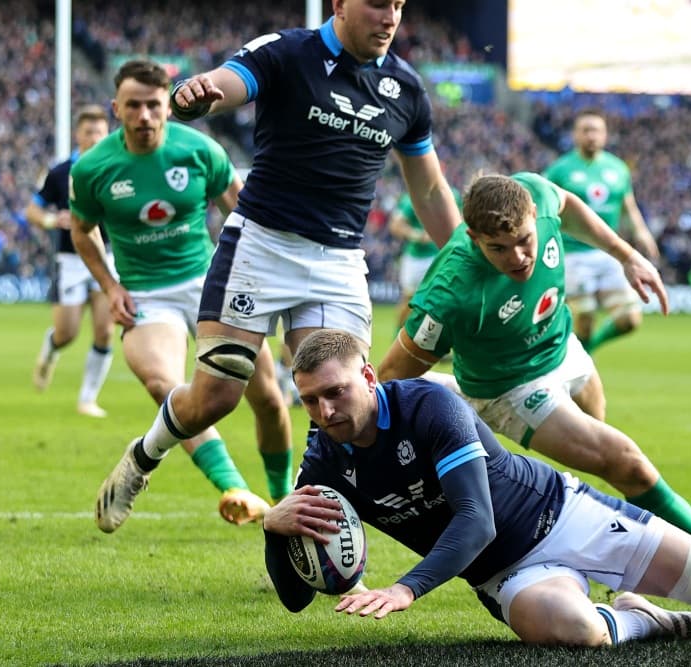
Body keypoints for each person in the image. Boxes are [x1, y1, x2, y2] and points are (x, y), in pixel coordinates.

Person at [92, 0, 461, 533]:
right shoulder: (288, 52)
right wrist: (197, 94)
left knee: (338, 405)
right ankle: (143, 457)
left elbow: (428, 188)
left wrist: (468, 257)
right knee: (216, 398)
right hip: (261, 247)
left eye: (399, 6)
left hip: (337, 260)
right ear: (339, 4)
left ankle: (306, 537)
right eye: (378, 4)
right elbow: (225, 82)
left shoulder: (404, 88)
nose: (390, 17)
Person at [378, 172, 691, 610]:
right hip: (510, 389)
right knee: (628, 464)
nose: (519, 257)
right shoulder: (452, 291)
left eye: (525, 240)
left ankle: (630, 571)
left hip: (563, 346)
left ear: (532, 215)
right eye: (498, 249)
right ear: (473, 237)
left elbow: (569, 204)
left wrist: (626, 255)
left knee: (610, 465)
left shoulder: (536, 194)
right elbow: (391, 372)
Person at [263, 329, 691, 646]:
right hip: (504, 574)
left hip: (565, 515)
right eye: (309, 399)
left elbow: (477, 520)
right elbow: (296, 599)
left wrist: (406, 588)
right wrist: (273, 527)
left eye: (336, 392)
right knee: (578, 633)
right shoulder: (325, 464)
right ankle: (641, 618)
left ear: (370, 378)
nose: (325, 411)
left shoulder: (428, 406)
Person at [70, 60, 293, 531]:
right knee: (164, 384)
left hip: (211, 284)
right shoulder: (93, 168)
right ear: (117, 109)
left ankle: (286, 498)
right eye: (134, 106)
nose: (145, 115)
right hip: (145, 294)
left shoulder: (200, 150)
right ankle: (233, 486)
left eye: (154, 105)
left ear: (168, 106)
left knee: (270, 399)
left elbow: (244, 213)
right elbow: (82, 231)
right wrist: (111, 286)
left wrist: (260, 278)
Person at [543, 110, 660, 354]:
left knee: (630, 319)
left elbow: (628, 206)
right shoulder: (560, 170)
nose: (591, 135)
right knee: (583, 321)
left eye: (596, 130)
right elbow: (544, 206)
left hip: (608, 252)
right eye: (585, 130)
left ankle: (586, 356)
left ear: (605, 135)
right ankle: (579, 368)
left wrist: (641, 231)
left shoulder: (618, 168)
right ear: (575, 135)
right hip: (573, 253)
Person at [26, 105, 115, 418]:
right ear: (78, 134)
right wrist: (52, 220)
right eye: (89, 132)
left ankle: (87, 399)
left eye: (100, 133)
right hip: (70, 260)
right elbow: (32, 211)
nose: (94, 138)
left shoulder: (117, 168)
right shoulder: (61, 172)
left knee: (105, 331)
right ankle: (51, 348)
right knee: (68, 332)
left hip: (106, 257)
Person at [387, 186, 461, 331]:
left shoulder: (453, 194)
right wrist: (417, 235)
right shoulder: (411, 198)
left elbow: (462, 219)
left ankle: (435, 341)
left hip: (441, 255)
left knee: (442, 300)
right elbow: (395, 226)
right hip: (416, 259)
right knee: (409, 301)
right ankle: (399, 335)